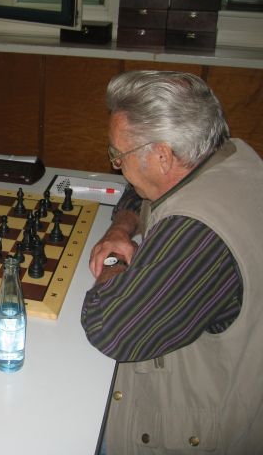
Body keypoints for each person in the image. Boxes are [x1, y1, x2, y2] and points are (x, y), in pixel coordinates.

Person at [82, 71, 263, 454]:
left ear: (162, 156)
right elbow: (142, 191)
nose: (117, 165)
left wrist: (113, 261)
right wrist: (121, 228)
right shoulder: (227, 156)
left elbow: (110, 329)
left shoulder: (198, 233)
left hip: (196, 425)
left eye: (119, 155)